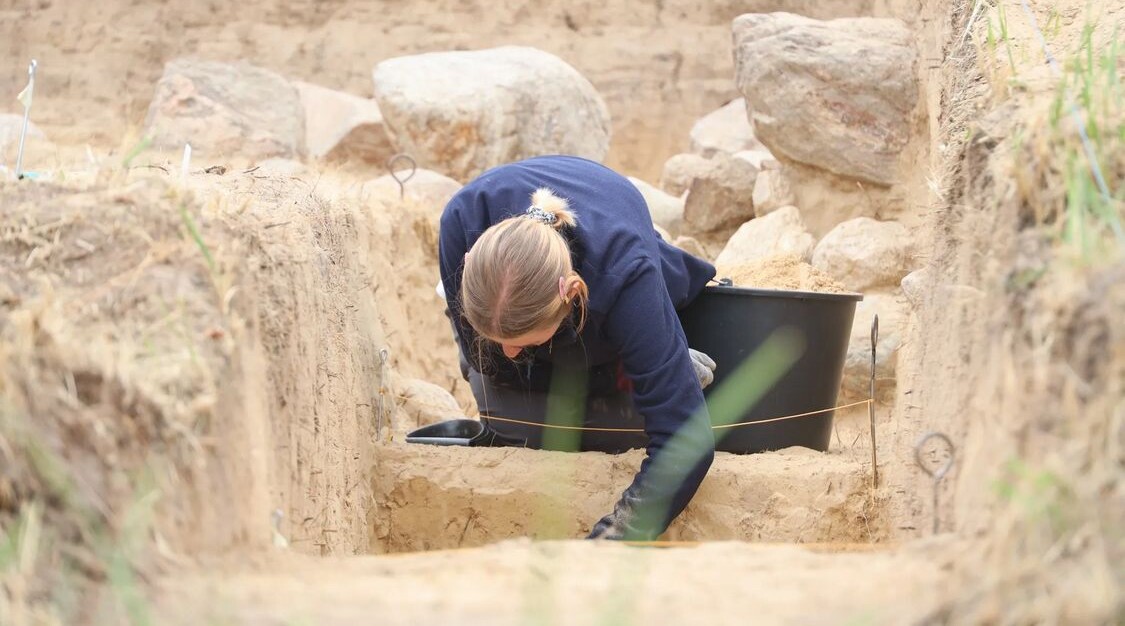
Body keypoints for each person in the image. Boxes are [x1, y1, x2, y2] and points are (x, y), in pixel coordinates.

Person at [438, 155, 718, 540]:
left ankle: (646, 352)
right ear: (467, 265)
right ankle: (640, 364)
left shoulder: (627, 276)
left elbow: (687, 440)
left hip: (613, 265)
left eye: (523, 342)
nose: (510, 354)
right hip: (561, 291)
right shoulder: (461, 222)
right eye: (500, 340)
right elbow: (487, 362)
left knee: (593, 424)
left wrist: (607, 543)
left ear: (570, 292)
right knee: (503, 398)